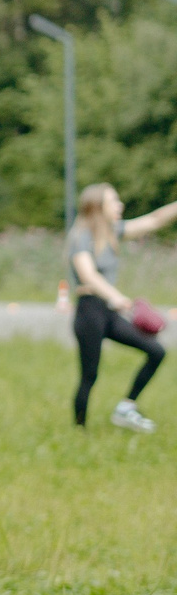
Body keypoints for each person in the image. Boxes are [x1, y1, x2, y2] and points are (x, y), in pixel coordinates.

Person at [68, 182, 177, 432]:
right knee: (90, 375)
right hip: (89, 312)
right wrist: (115, 296)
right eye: (114, 201)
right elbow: (88, 275)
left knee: (156, 351)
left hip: (109, 313)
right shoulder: (81, 237)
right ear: (97, 207)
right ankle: (78, 430)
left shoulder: (113, 232)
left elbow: (154, 220)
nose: (120, 205)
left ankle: (126, 407)